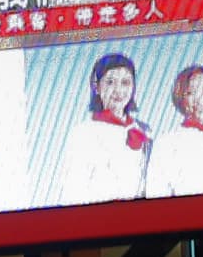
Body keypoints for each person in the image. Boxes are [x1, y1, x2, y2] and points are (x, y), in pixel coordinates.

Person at [54, 52, 150, 205]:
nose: (118, 90)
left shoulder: (143, 130)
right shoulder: (83, 133)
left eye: (125, 82)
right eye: (110, 82)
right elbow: (73, 190)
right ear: (97, 87)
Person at [145, 63, 203, 198]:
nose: (200, 99)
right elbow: (156, 192)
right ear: (180, 97)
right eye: (191, 93)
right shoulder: (167, 143)